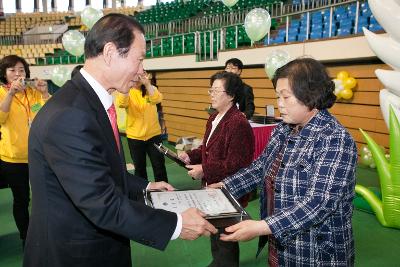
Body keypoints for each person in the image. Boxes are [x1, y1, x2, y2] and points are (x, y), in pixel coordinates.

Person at [23, 14, 217, 267]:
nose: (141, 70)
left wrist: (145, 187)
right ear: (110, 52)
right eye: (139, 59)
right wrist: (178, 224)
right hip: (74, 255)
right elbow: (101, 203)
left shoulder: (88, 103)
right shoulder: (71, 115)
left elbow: (99, 172)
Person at [210, 58, 357, 266]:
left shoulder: (335, 139)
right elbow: (260, 167)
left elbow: (318, 203)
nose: (279, 103)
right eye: (278, 96)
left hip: (316, 252)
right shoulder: (283, 129)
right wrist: (226, 186)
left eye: (286, 97)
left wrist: (261, 227)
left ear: (310, 95)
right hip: (282, 244)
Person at [179, 71, 255, 267]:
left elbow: (237, 164)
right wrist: (191, 155)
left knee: (226, 235)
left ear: (230, 95)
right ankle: (220, 262)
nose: (211, 94)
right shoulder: (214, 117)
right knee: (215, 230)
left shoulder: (238, 123)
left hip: (229, 190)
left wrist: (204, 169)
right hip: (213, 188)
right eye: (210, 90)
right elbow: (206, 148)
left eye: (216, 90)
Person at [0, 55, 49, 248]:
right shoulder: (2, 93)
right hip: (13, 158)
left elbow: (47, 115)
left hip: (38, 155)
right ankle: (26, 237)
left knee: (44, 195)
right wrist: (11, 94)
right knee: (22, 200)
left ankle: (46, 231)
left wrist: (44, 94)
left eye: (21, 69)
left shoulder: (33, 92)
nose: (17, 74)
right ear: (4, 73)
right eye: (12, 70)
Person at [116, 71, 168, 182]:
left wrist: (147, 84)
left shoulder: (151, 88)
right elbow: (122, 103)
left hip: (154, 135)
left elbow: (157, 99)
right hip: (135, 137)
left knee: (159, 166)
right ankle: (142, 193)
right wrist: (126, 85)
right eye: (134, 76)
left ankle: (164, 191)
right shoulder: (127, 91)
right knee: (139, 169)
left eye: (139, 76)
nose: (137, 78)